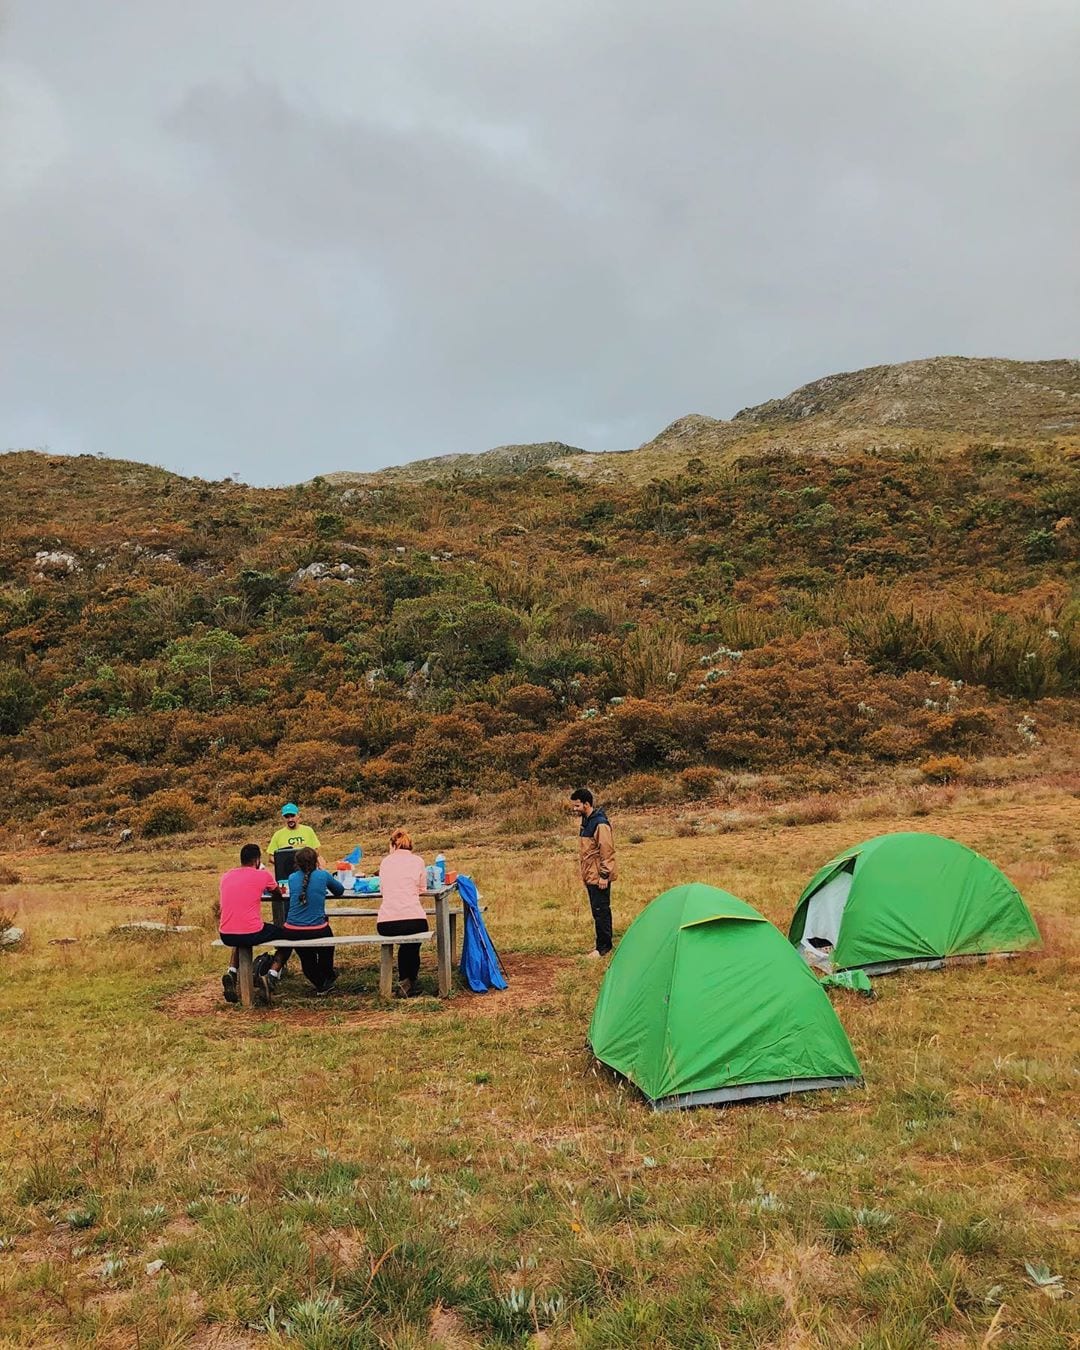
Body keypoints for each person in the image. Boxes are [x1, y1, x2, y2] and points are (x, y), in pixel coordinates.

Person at [218, 844, 287, 1004]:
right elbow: (277, 893)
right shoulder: (262, 875)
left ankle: (232, 973)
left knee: (239, 934)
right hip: (251, 932)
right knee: (286, 937)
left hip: (226, 933)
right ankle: (271, 975)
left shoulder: (226, 875)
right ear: (257, 860)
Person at [282, 846, 344, 994]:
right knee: (327, 947)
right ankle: (327, 976)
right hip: (317, 929)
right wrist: (322, 869)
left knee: (306, 957)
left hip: (292, 929)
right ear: (316, 861)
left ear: (297, 863)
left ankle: (320, 982)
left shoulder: (291, 878)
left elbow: (304, 885)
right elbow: (339, 890)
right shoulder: (322, 875)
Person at [377, 828, 429, 997]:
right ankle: (409, 979)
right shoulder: (418, 861)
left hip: (386, 923)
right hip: (414, 919)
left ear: (392, 845)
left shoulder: (385, 862)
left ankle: (405, 979)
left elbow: (383, 889)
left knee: (406, 944)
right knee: (412, 944)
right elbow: (423, 888)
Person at [570, 787, 617, 958]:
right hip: (590, 874)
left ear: (586, 804)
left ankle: (604, 947)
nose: (574, 809)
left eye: (577, 806)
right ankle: (601, 943)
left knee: (601, 910)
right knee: (597, 910)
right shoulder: (586, 821)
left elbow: (607, 850)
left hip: (599, 876)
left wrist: (604, 875)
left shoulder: (600, 823)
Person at [267, 803, 322, 869]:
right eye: (287, 817)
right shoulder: (278, 835)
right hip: (287, 873)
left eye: (292, 816)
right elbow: (271, 857)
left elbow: (316, 851)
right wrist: (284, 864)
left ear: (298, 815)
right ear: (283, 818)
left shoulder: (308, 830)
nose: (290, 819)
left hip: (307, 870)